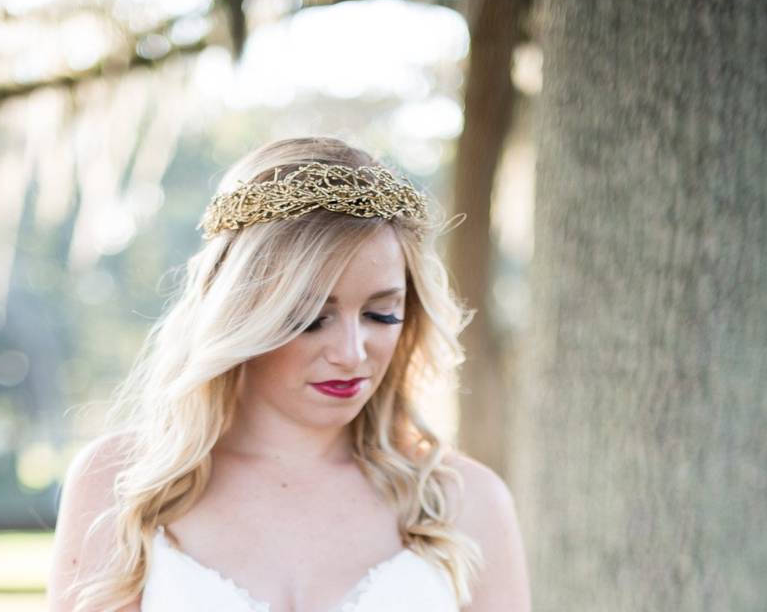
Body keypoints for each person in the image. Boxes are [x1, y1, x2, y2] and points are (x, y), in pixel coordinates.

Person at [47, 137, 531, 611]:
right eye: (309, 318)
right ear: (239, 314)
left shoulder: (465, 500)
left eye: (381, 315)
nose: (351, 353)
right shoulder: (121, 484)